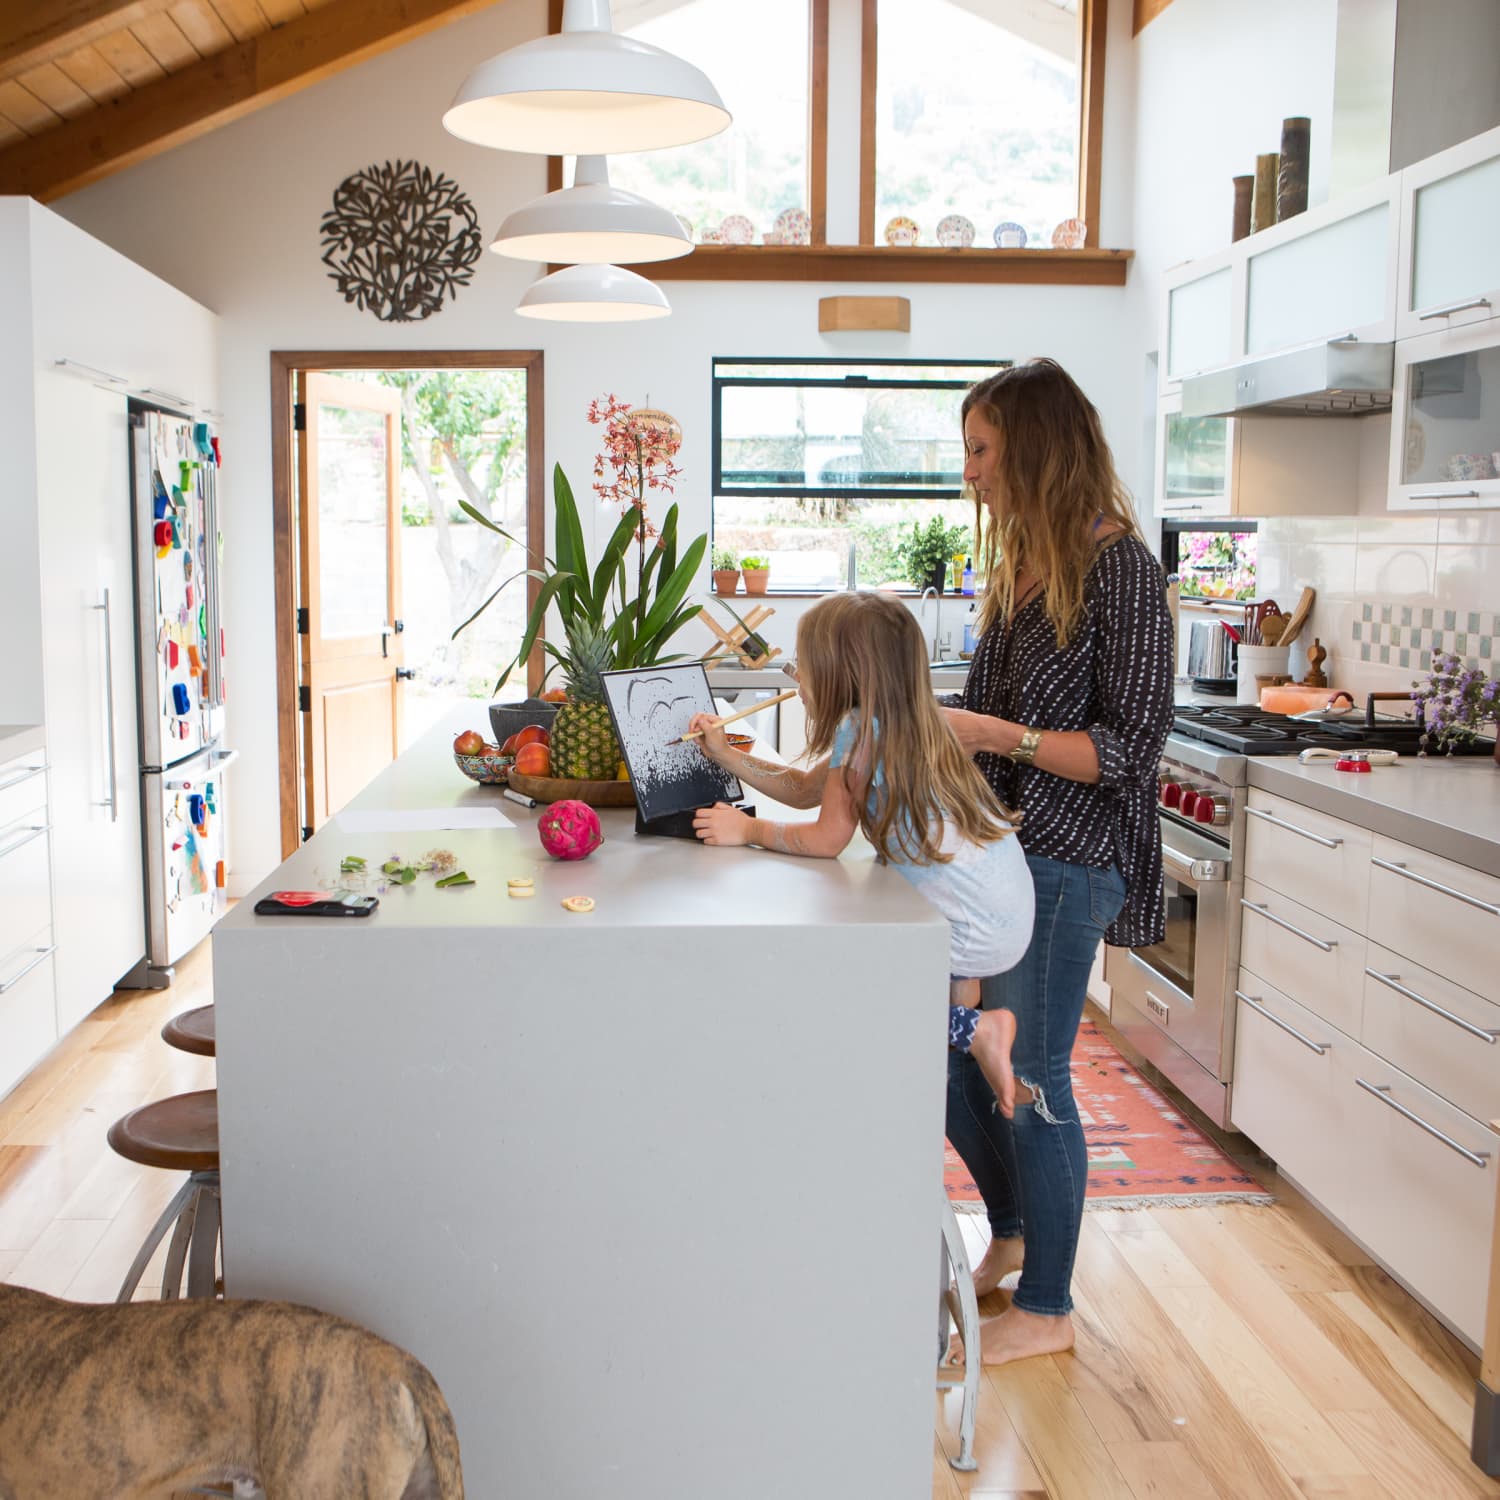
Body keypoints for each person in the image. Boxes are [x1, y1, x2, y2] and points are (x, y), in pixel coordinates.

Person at [941, 357, 1175, 1366]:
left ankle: (1049, 1310)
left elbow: (1128, 750)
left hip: (1073, 860)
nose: (972, 475)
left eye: (983, 452)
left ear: (1032, 448)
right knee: (958, 1061)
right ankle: (1014, 1229)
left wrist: (994, 735)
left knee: (1029, 1075)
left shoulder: (1123, 571)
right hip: (1002, 858)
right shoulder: (1021, 564)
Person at [688, 590, 1034, 1110]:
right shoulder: (915, 719)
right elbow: (809, 787)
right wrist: (727, 751)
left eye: (802, 665)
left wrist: (748, 830)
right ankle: (954, 1025)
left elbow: (828, 838)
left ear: (840, 672)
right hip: (1001, 907)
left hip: (969, 927)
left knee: (855, 982)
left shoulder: (858, 727)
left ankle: (978, 1028)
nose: (794, 676)